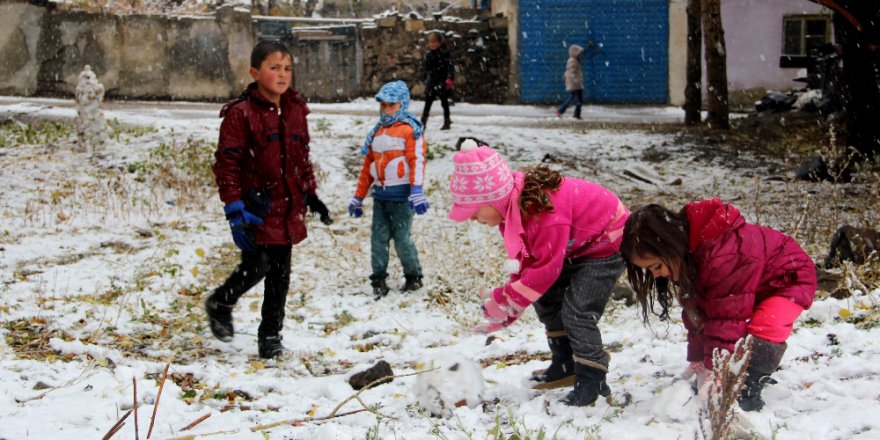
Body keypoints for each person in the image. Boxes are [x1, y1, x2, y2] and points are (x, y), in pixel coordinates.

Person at [447, 138, 629, 406]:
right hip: (577, 248)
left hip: (607, 243)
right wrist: (510, 299)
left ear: (494, 199)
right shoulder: (515, 212)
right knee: (547, 297)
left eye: (474, 211)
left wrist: (509, 299)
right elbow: (528, 264)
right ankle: (565, 363)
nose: (473, 218)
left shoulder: (543, 215)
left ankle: (593, 382)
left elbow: (545, 270)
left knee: (577, 312)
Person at [620, 199, 817, 411]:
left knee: (765, 327)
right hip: (755, 284)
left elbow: (727, 319)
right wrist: (699, 359)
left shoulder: (723, 257)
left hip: (789, 279)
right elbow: (700, 316)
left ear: (670, 245)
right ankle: (735, 375)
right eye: (649, 270)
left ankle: (748, 384)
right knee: (723, 324)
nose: (656, 274)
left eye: (656, 266)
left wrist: (716, 368)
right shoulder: (692, 257)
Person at [206, 40, 333, 359]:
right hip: (256, 207)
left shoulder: (295, 110)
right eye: (274, 67)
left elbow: (302, 157)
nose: (282, 74)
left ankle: (270, 336)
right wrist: (234, 208)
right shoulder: (241, 113)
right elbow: (227, 163)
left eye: (287, 68)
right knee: (258, 264)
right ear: (254, 72)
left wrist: (311, 194)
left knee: (280, 275)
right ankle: (221, 302)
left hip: (287, 205)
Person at [349, 80, 429, 300]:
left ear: (402, 105)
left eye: (391, 105)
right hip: (381, 197)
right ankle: (378, 279)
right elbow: (367, 168)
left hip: (403, 198)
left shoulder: (410, 131)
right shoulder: (376, 133)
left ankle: (413, 276)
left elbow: (417, 161)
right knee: (378, 239)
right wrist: (358, 197)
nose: (385, 109)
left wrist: (417, 190)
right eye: (382, 105)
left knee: (402, 239)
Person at [421, 32, 454, 131]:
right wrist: (425, 79)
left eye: (434, 42)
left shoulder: (445, 54)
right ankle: (423, 122)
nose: (432, 44)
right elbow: (425, 69)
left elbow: (450, 67)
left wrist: (449, 78)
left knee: (444, 102)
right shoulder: (428, 55)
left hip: (442, 81)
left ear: (439, 43)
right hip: (432, 81)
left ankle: (447, 121)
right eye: (430, 42)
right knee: (428, 102)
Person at [556, 44, 584, 120]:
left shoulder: (576, 61)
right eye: (580, 54)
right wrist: (575, 80)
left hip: (577, 84)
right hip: (574, 84)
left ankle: (577, 114)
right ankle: (560, 111)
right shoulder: (572, 61)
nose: (581, 55)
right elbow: (571, 72)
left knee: (579, 100)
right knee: (573, 98)